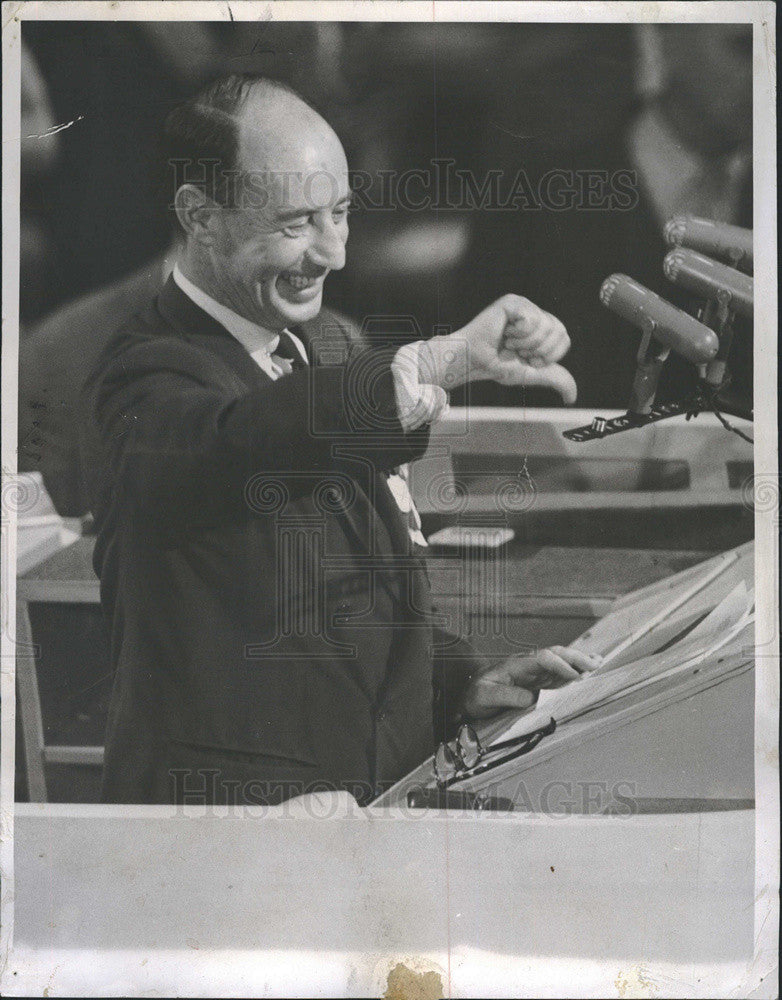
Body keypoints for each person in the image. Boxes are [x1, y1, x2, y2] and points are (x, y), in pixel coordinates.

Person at [80, 74, 597, 807]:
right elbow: (239, 442)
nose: (336, 252)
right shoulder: (141, 374)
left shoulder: (325, 342)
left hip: (359, 816)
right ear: (199, 216)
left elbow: (347, 587)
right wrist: (437, 361)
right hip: (228, 838)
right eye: (296, 224)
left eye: (342, 212)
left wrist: (460, 684)